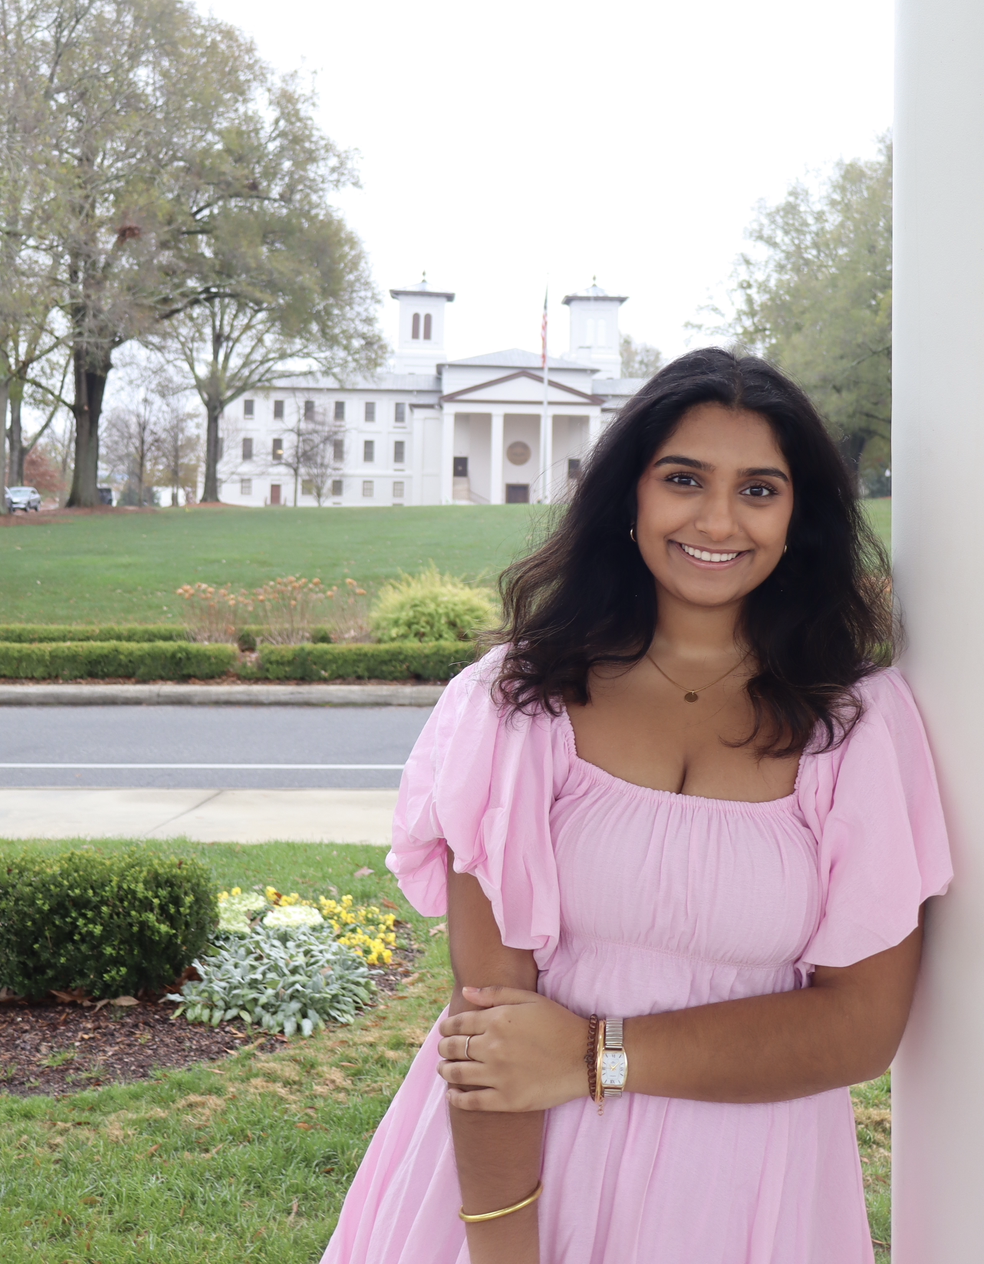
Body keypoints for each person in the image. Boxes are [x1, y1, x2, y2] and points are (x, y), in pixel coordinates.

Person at [320, 348, 951, 1264]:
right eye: (683, 479)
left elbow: (859, 1030)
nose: (717, 520)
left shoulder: (855, 724)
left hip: (746, 1195)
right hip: (517, 1184)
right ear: (630, 495)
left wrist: (592, 1054)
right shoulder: (516, 705)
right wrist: (504, 1250)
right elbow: (488, 1028)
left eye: (758, 490)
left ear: (798, 517)